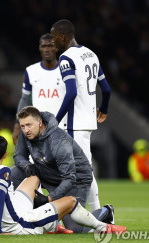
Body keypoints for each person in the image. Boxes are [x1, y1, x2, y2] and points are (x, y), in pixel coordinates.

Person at [0, 135, 126, 235]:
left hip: (15, 209)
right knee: (71, 201)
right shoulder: (3, 172)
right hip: (20, 223)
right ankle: (104, 226)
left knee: (34, 177)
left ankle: (51, 219)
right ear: (6, 154)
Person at [12, 106, 116, 233]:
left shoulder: (59, 141)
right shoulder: (27, 133)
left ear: (39, 122)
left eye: (28, 125)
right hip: (49, 173)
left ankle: (106, 211)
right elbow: (19, 155)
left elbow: (69, 178)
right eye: (22, 126)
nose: (26, 130)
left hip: (76, 180)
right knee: (16, 172)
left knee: (75, 229)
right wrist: (27, 165)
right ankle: (28, 216)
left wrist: (48, 199)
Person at [50, 19, 111, 212]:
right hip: (87, 121)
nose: (53, 43)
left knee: (84, 170)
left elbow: (71, 93)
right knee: (80, 168)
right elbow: (107, 89)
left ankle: (100, 214)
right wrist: (104, 108)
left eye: (53, 38)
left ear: (62, 37)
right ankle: (93, 213)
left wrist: (55, 121)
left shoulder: (66, 58)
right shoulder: (90, 54)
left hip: (74, 124)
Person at [12, 33, 66, 145]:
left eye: (50, 46)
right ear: (39, 48)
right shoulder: (31, 71)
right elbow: (25, 99)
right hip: (38, 129)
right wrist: (17, 125)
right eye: (44, 46)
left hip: (62, 128)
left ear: (56, 47)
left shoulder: (66, 71)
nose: (47, 49)